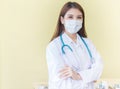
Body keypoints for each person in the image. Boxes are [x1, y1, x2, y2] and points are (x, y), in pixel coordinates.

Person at [46, 1, 103, 89]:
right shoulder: (53, 47)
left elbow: (99, 69)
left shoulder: (88, 43)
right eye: (70, 17)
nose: (75, 21)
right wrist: (89, 78)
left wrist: (78, 75)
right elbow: (63, 83)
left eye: (79, 17)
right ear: (62, 20)